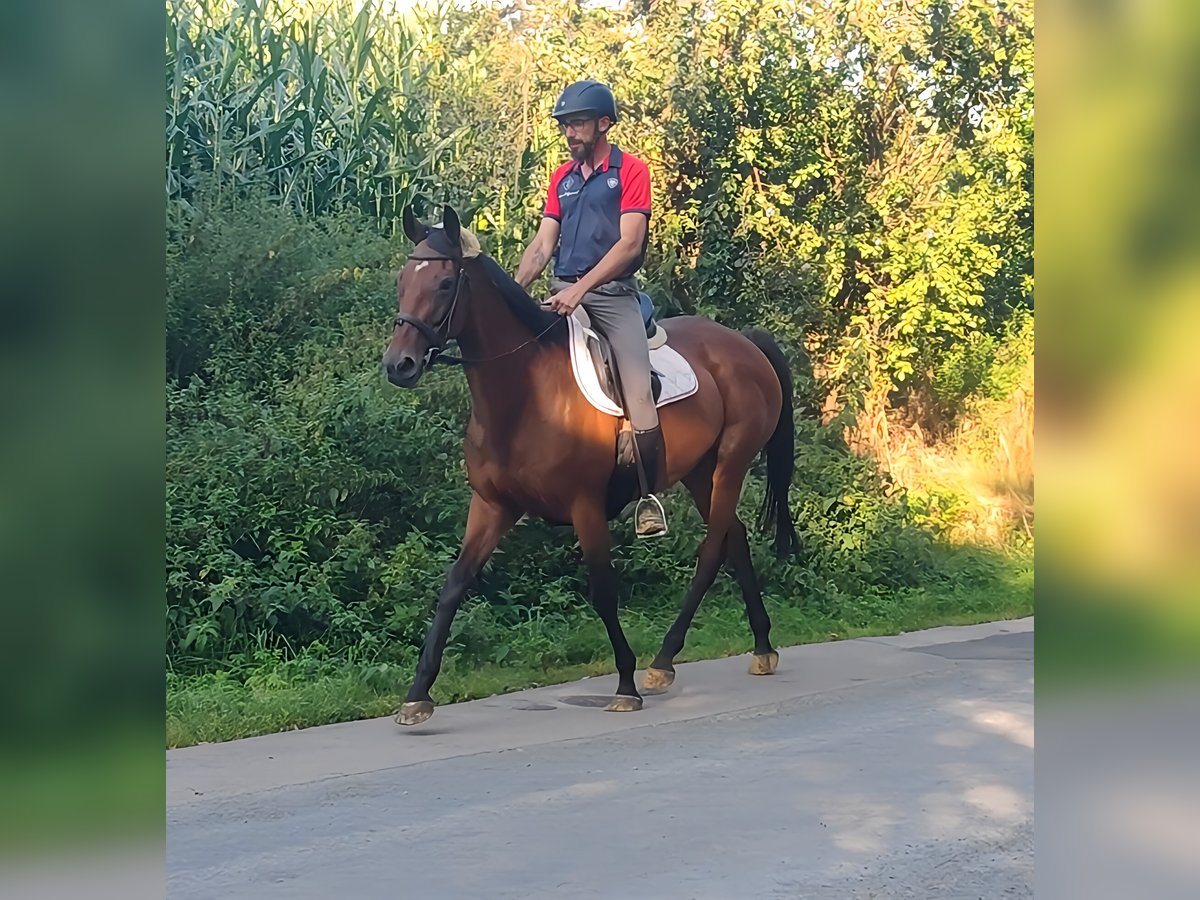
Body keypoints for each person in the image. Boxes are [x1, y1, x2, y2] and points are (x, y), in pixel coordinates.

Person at [515, 79, 667, 538]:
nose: (569, 133)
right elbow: (543, 246)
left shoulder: (631, 171)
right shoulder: (561, 178)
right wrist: (515, 288)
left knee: (638, 391)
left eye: (577, 123)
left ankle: (648, 497)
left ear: (604, 124)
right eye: (565, 125)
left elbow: (630, 244)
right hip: (562, 291)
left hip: (612, 296)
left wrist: (580, 291)